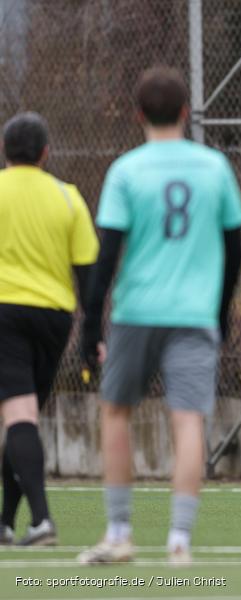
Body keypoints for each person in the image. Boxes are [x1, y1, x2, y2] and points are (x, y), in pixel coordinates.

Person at [77, 66, 241, 565]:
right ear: (186, 113)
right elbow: (236, 248)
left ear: (137, 115)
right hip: (194, 314)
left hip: (136, 311)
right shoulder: (214, 167)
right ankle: (179, 541)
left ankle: (119, 532)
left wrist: (90, 328)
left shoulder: (126, 171)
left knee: (115, 411)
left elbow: (106, 257)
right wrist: (220, 311)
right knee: (188, 419)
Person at [0, 112, 99, 546]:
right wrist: (94, 335)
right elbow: (89, 275)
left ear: (4, 152)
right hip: (55, 319)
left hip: (5, 313)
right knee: (21, 418)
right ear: (45, 153)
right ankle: (5, 522)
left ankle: (41, 520)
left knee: (18, 417)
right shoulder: (68, 197)